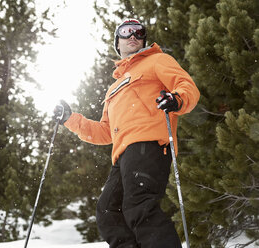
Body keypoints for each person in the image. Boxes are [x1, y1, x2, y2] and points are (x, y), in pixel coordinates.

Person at [53, 19, 200, 248]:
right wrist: (70, 119)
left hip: (148, 144)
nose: (133, 35)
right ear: (117, 42)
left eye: (139, 32)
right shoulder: (114, 88)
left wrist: (176, 98)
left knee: (139, 205)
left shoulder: (157, 61)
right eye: (126, 32)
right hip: (122, 155)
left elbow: (185, 85)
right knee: (108, 212)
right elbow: (104, 132)